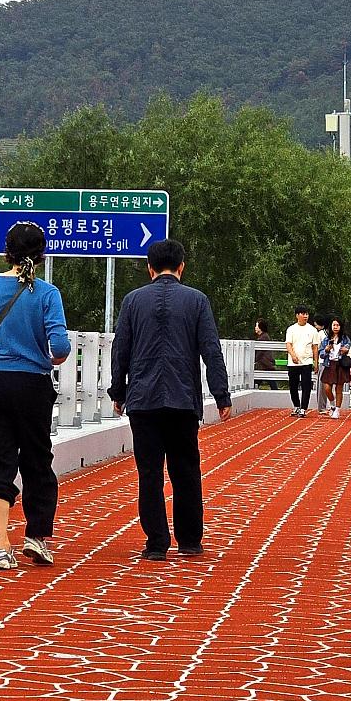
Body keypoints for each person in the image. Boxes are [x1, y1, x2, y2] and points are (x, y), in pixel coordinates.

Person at [109, 237, 231, 561]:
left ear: (150, 268)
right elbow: (211, 350)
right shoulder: (197, 300)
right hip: (182, 399)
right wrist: (221, 394)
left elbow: (121, 350)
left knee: (149, 473)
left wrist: (118, 391)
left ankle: (156, 544)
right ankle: (189, 540)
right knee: (185, 470)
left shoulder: (133, 301)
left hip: (143, 400)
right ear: (181, 267)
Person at [0, 220, 71, 572]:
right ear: (41, 255)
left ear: (7, 252)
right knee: (37, 460)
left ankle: (1, 546)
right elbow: (60, 347)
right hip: (32, 386)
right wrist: (47, 355)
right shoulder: (47, 293)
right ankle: (36, 537)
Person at [285, 305, 320, 416]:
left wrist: (316, 362)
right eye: (303, 314)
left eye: (307, 314)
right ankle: (296, 405)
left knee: (306, 385)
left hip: (307, 361)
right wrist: (293, 356)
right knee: (293, 385)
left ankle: (303, 408)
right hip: (293, 362)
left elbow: (315, 347)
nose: (305, 316)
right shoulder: (291, 329)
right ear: (297, 315)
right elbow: (288, 344)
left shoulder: (312, 330)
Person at [319, 316, 351, 417]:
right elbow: (321, 354)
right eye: (334, 325)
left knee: (339, 388)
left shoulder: (345, 339)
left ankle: (337, 409)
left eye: (337, 325)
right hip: (329, 364)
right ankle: (332, 404)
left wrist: (347, 350)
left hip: (340, 364)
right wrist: (326, 350)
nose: (336, 327)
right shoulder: (326, 339)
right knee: (327, 387)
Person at [253, 319, 277, 389]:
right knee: (271, 383)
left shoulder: (263, 337)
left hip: (265, 365)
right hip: (265, 365)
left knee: (256, 382)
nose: (255, 328)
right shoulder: (264, 336)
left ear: (261, 328)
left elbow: (259, 353)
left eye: (257, 326)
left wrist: (253, 360)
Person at [314, 317, 330, 413]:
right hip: (323, 361)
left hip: (330, 361)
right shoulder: (320, 334)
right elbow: (317, 349)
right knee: (322, 386)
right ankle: (322, 407)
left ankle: (329, 406)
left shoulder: (324, 334)